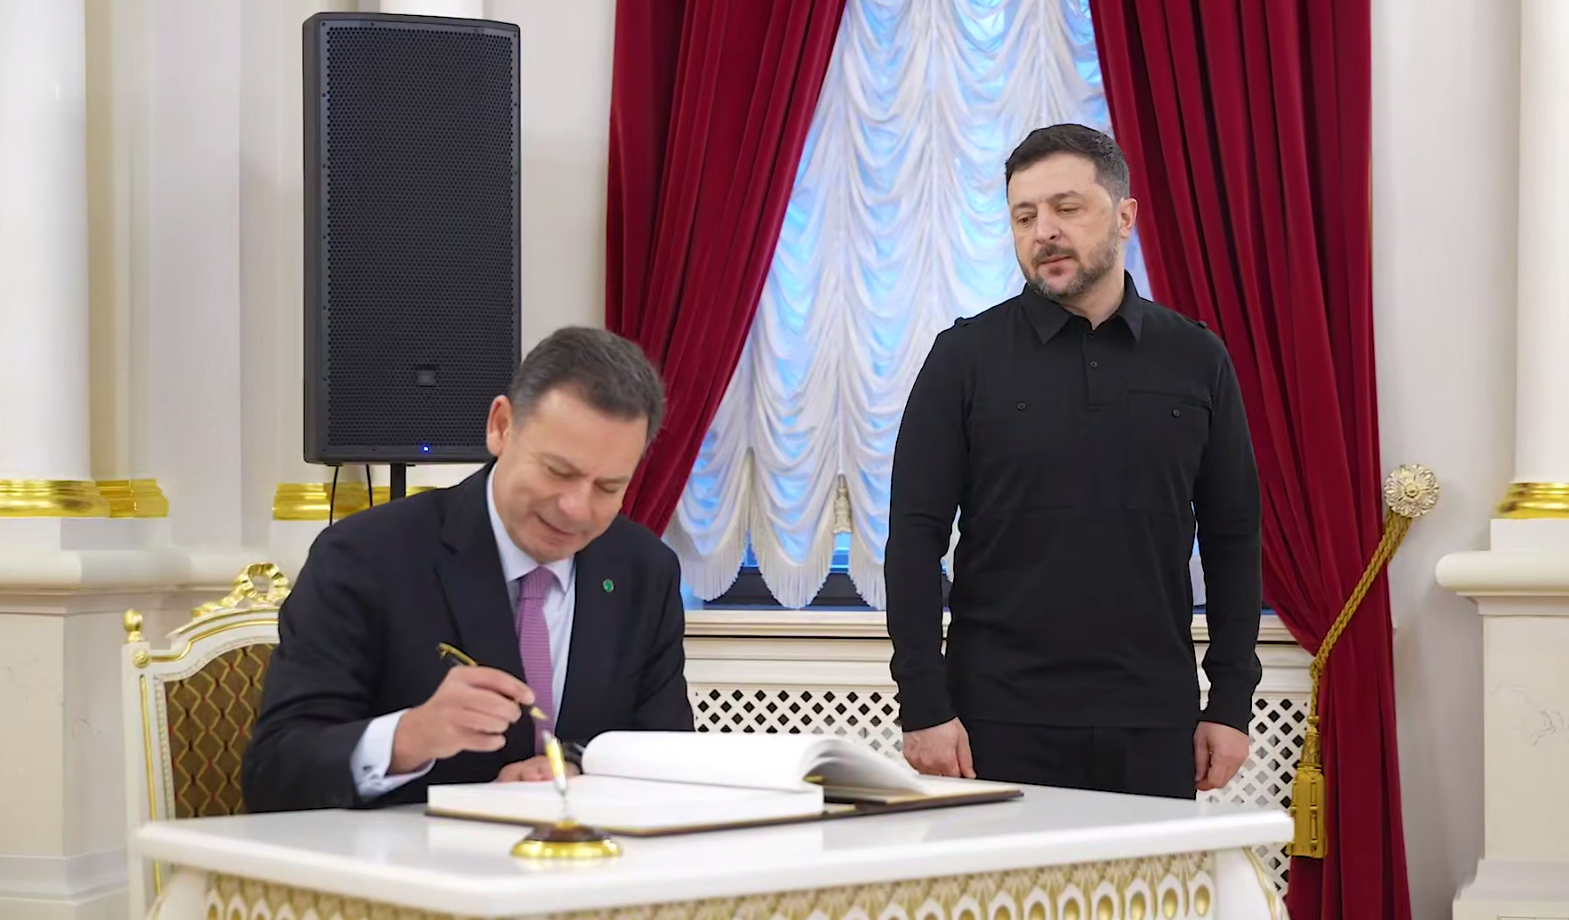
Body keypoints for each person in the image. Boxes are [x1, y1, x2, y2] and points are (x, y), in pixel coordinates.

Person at [884, 124, 1262, 800]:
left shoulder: (1196, 357)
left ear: (1124, 217)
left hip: (1155, 717)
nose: (1044, 232)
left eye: (1066, 208)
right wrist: (923, 703)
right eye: (1024, 216)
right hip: (992, 717)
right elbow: (914, 537)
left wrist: (1231, 702)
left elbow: (1233, 536)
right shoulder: (962, 359)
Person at [242, 326, 694, 813]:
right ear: (501, 426)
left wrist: (571, 769)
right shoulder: (365, 556)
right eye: (558, 472)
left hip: (587, 854)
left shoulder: (643, 570)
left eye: (608, 487)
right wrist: (409, 737)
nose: (576, 508)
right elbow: (275, 772)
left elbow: (663, 753)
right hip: (408, 854)